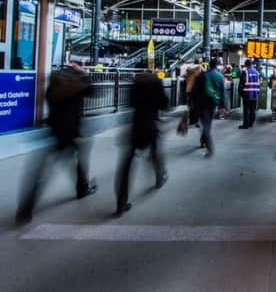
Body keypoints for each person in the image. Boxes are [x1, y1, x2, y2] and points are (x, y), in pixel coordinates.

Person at [16, 63, 97, 225]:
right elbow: (93, 91)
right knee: (77, 160)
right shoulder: (78, 88)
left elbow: (48, 102)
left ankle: (25, 209)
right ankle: (82, 189)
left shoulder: (53, 88)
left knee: (43, 169)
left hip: (55, 130)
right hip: (72, 131)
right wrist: (82, 73)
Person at [115, 72, 169, 216]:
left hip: (136, 125)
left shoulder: (136, 83)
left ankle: (121, 202)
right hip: (151, 124)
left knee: (127, 165)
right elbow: (164, 103)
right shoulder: (156, 82)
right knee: (156, 152)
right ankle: (160, 177)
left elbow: (131, 102)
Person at [190, 58, 225, 157]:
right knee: (208, 122)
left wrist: (191, 102)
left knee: (205, 124)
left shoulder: (203, 75)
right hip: (213, 103)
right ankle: (203, 140)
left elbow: (194, 90)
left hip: (202, 103)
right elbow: (223, 91)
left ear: (209, 65)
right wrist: (222, 106)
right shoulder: (220, 76)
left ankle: (210, 148)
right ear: (217, 65)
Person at [238, 59, 260, 129]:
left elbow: (241, 84)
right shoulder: (257, 72)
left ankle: (246, 125)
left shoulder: (245, 72)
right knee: (253, 110)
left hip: (247, 94)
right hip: (255, 94)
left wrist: (240, 93)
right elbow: (259, 84)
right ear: (251, 64)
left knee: (246, 110)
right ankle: (251, 123)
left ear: (245, 65)